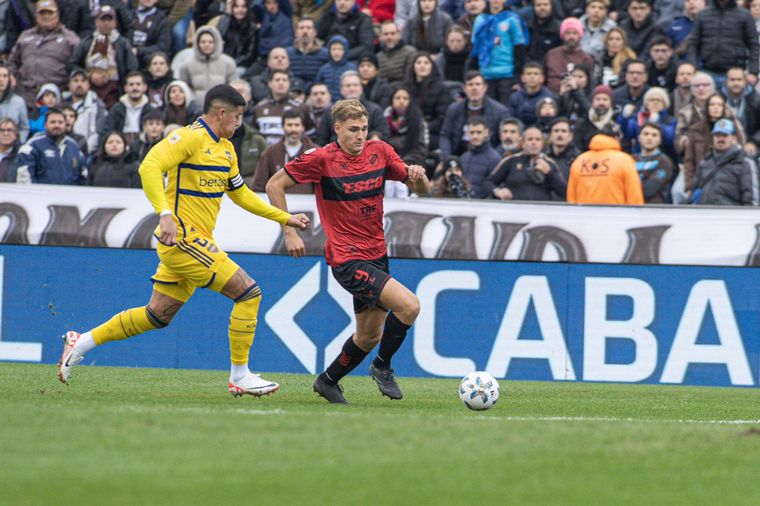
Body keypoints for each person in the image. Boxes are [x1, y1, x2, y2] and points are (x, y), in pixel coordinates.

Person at [58, 84, 311, 398]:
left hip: (197, 241)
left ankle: (80, 342)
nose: (239, 123)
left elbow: (242, 195)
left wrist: (284, 218)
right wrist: (164, 213)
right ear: (221, 113)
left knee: (156, 315)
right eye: (238, 116)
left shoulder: (227, 150)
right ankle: (240, 376)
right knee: (249, 293)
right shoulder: (188, 137)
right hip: (182, 239)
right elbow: (149, 166)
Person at [265, 98, 430, 404]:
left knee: (369, 336)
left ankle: (328, 381)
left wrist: (418, 178)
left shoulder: (380, 152)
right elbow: (274, 185)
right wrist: (288, 230)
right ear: (337, 129)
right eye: (353, 129)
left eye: (364, 129)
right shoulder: (320, 159)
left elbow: (423, 190)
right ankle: (382, 366)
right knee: (409, 306)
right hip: (347, 257)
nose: (360, 135)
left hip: (376, 254)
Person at [8, 0, 80, 109]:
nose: (46, 17)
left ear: (57, 15)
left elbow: (78, 66)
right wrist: (11, 76)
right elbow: (12, 62)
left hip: (56, 98)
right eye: (42, 13)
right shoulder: (25, 36)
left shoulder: (70, 39)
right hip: (25, 97)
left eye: (50, 13)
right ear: (36, 15)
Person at [67, 5, 138, 109]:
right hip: (89, 91)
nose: (106, 23)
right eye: (103, 19)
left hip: (114, 92)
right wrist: (88, 76)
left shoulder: (122, 44)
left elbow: (132, 68)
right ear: (96, 22)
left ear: (115, 23)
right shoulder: (86, 42)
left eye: (109, 20)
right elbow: (72, 64)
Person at [482, 126, 567, 201]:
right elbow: (488, 182)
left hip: (542, 213)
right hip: (515, 213)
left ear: (542, 143)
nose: (534, 143)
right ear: (522, 143)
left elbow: (564, 192)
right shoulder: (510, 160)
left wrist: (549, 173)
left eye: (537, 139)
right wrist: (498, 191)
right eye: (530, 139)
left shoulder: (549, 163)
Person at [682, 92, 745, 192]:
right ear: (707, 107)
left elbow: (741, 153)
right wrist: (689, 185)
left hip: (728, 177)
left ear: (724, 108)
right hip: (700, 176)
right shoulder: (695, 129)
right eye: (712, 104)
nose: (716, 107)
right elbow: (689, 160)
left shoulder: (733, 127)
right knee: (677, 192)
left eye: (719, 105)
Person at [688, 0, 759, 87]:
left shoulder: (745, 15)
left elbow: (754, 45)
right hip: (706, 71)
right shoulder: (702, 15)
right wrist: (692, 67)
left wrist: (753, 72)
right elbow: (693, 44)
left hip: (735, 73)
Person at [470, 0, 526, 105]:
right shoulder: (480, 20)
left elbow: (519, 49)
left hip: (506, 74)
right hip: (485, 74)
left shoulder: (512, 19)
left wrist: (517, 77)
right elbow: (475, 49)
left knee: (504, 109)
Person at [692, 118, 759, 205]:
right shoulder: (705, 162)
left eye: (724, 135)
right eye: (717, 135)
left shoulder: (745, 163)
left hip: (731, 216)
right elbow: (695, 191)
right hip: (705, 215)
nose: (720, 139)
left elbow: (751, 199)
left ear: (733, 138)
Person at [439, 70, 508, 156]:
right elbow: (445, 136)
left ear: (485, 88)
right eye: (470, 84)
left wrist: (493, 159)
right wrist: (447, 159)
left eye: (478, 84)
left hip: (488, 158)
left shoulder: (500, 111)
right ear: (464, 89)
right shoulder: (453, 109)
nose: (474, 88)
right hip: (458, 156)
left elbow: (504, 141)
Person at [567, 131, 645, 204]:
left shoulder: (579, 160)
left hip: (584, 216)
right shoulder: (625, 160)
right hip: (617, 216)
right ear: (616, 139)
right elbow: (634, 196)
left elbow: (571, 197)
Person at [15, 108, 85, 185]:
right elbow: (25, 178)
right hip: (40, 195)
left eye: (60, 122)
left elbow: (81, 175)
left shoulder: (73, 146)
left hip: (68, 195)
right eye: (53, 122)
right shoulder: (33, 145)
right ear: (45, 125)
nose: (57, 125)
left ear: (65, 125)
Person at [252, 108, 316, 193]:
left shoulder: (315, 153)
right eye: (289, 125)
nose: (293, 129)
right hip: (277, 205)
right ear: (283, 127)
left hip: (307, 205)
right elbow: (258, 186)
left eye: (297, 125)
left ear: (303, 128)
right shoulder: (270, 153)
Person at [177, 26, 237, 106]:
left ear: (216, 43)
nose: (207, 45)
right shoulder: (187, 64)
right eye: (203, 42)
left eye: (210, 42)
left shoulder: (228, 63)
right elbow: (184, 88)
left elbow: (234, 87)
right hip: (196, 110)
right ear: (197, 44)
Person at [405, 51, 452, 152]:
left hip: (432, 133)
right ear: (413, 66)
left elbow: (442, 118)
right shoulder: (406, 88)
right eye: (418, 62)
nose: (422, 66)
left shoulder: (441, 88)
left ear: (432, 66)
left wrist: (423, 128)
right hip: (409, 130)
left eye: (426, 63)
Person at [102, 71, 157, 145]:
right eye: (131, 84)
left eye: (138, 84)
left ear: (145, 87)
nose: (135, 87)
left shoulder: (151, 110)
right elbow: (107, 132)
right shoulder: (116, 109)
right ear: (125, 88)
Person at [544, 17, 595, 94]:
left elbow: (589, 86)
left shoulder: (586, 59)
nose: (571, 36)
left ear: (580, 35)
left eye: (574, 33)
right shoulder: (551, 55)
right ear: (562, 35)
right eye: (568, 33)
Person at [382, 85, 428, 165]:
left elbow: (421, 149)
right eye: (398, 98)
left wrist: (404, 164)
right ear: (391, 101)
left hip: (412, 164)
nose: (401, 101)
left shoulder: (418, 121)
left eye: (405, 98)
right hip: (387, 163)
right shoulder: (384, 119)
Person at [459, 116, 501, 198]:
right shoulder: (464, 157)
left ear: (486, 132)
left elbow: (495, 188)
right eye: (472, 132)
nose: (475, 136)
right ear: (467, 133)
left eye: (479, 132)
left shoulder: (494, 159)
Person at [507, 62, 556, 127]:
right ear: (522, 78)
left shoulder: (549, 96)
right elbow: (511, 119)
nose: (532, 77)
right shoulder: (515, 97)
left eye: (536, 74)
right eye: (528, 74)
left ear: (542, 78)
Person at [286, 17, 329, 91]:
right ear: (296, 33)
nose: (305, 31)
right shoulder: (286, 54)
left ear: (315, 33)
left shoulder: (326, 54)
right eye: (301, 28)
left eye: (308, 28)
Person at [634, 123, 673, 203]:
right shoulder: (630, 159)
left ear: (660, 140)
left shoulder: (664, 161)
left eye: (654, 135)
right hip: (628, 208)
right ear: (639, 138)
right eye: (646, 134)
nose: (649, 138)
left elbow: (649, 190)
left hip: (653, 210)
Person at [575, 84, 621, 150]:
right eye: (598, 99)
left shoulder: (616, 121)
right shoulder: (583, 123)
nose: (601, 103)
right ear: (592, 102)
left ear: (611, 102)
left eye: (605, 99)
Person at [316, 35, 358, 102]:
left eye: (340, 49)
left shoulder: (352, 68)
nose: (336, 52)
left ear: (345, 51)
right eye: (334, 49)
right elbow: (317, 86)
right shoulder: (324, 69)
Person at [131, 0, 171, 68]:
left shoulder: (162, 19)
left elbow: (163, 46)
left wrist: (139, 51)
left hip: (148, 57)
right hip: (129, 55)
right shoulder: (128, 15)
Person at [377, 20, 417, 85]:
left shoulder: (410, 52)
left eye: (393, 33)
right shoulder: (378, 57)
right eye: (385, 34)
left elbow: (410, 79)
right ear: (381, 37)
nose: (389, 37)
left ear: (399, 35)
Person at [0, 64, 29, 142]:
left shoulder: (18, 102)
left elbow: (24, 128)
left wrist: (19, 143)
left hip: (13, 147)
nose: (1, 79)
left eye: (5, 76)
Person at [546, 117, 581, 181]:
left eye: (563, 131)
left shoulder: (579, 159)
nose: (559, 134)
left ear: (570, 136)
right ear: (550, 136)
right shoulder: (543, 158)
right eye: (556, 131)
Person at [0, 118, 21, 182]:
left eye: (9, 130)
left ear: (16, 135)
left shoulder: (21, 156)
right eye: (2, 130)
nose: (5, 133)